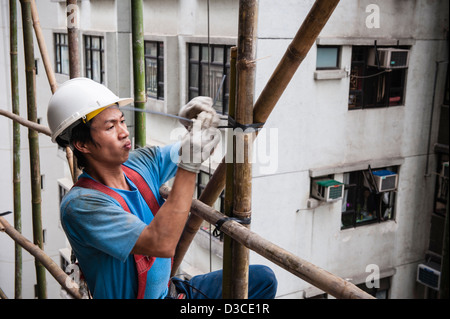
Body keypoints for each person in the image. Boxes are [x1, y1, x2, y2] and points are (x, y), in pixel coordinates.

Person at [47, 77, 277, 299]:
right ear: (82, 144)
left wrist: (192, 128)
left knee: (263, 280)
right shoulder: (81, 205)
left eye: (122, 121)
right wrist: (189, 163)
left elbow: (197, 149)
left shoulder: (139, 162)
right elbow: (161, 243)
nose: (124, 132)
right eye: (110, 127)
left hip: (170, 292)